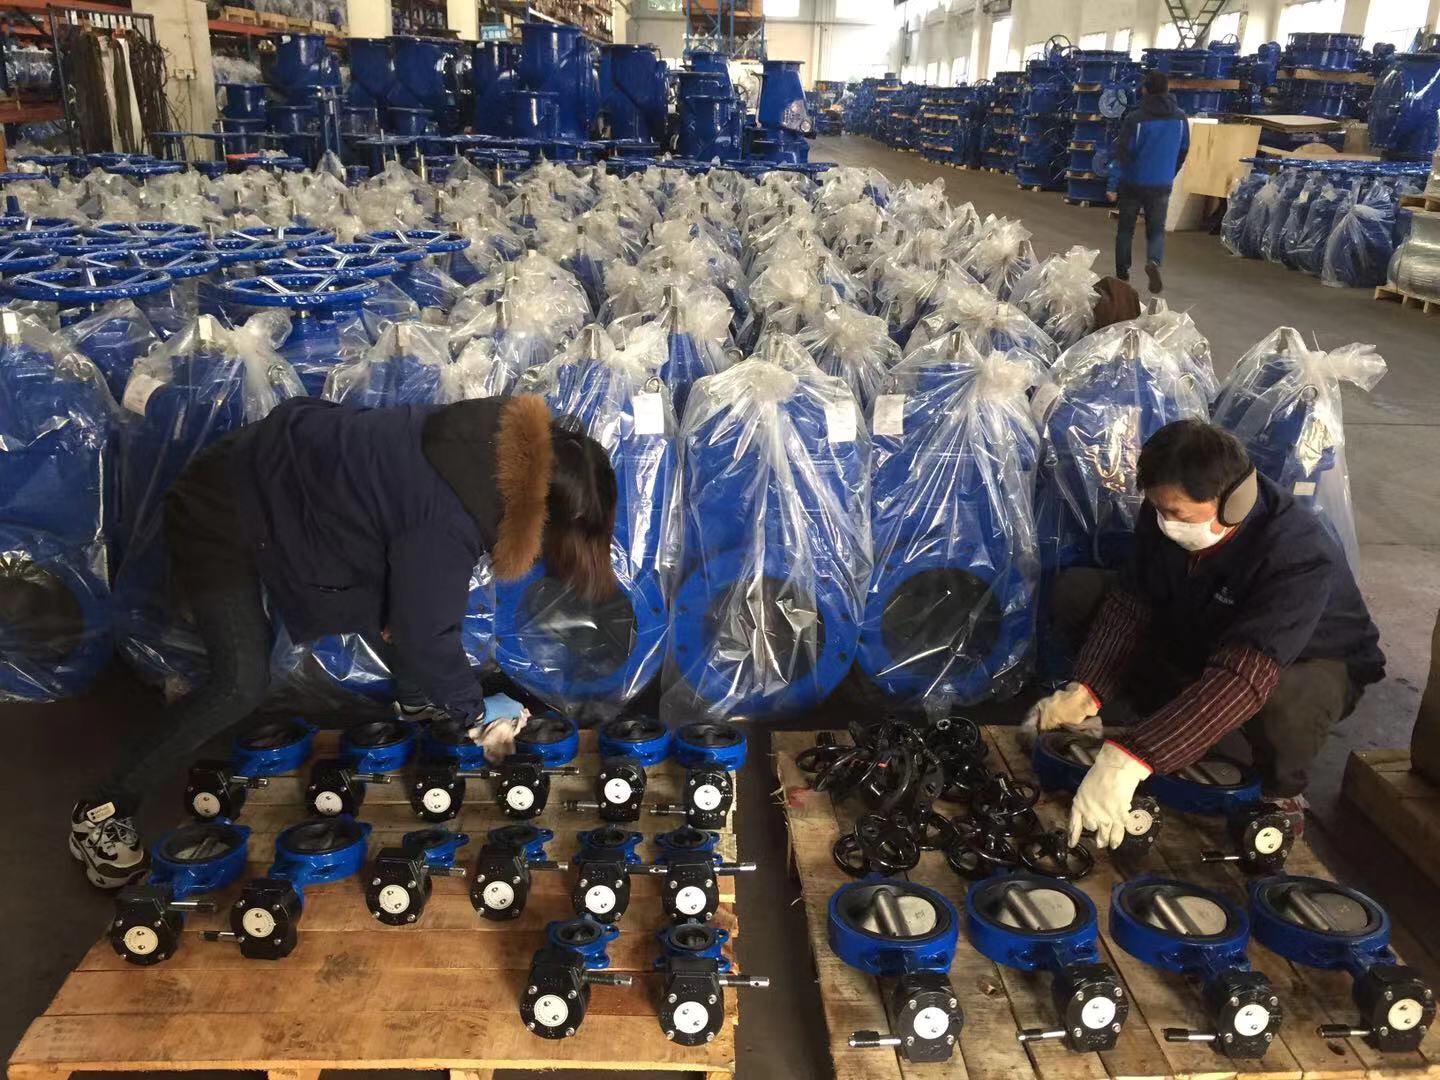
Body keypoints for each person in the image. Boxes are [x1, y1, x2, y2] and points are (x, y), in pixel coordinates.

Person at [70, 393, 618, 888]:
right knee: (240, 682)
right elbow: (425, 633)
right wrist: (476, 713)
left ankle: (418, 702)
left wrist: (441, 693)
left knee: (405, 604)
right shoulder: (448, 517)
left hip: (286, 486)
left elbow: (411, 601)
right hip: (223, 506)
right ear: (549, 513)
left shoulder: (489, 448)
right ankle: (102, 809)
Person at [1026, 419, 1384, 850]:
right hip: (1210, 628)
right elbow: (1131, 603)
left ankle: (1278, 792)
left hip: (1304, 661)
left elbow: (1243, 676)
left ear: (1233, 503)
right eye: (1158, 509)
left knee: (1287, 698)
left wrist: (1131, 759)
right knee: (1080, 592)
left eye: (1176, 514)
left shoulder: (1296, 554)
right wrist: (1087, 689)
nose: (1165, 523)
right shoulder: (1164, 511)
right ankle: (1163, 721)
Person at [1109, 69, 1190, 295]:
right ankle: (1153, 261)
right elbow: (1183, 150)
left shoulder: (1136, 119)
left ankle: (1122, 275)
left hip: (1133, 183)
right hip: (1161, 183)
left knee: (1125, 231)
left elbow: (1122, 153)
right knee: (1156, 231)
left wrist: (1112, 184)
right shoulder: (1180, 118)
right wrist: (1170, 173)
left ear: (1145, 90)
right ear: (1167, 89)